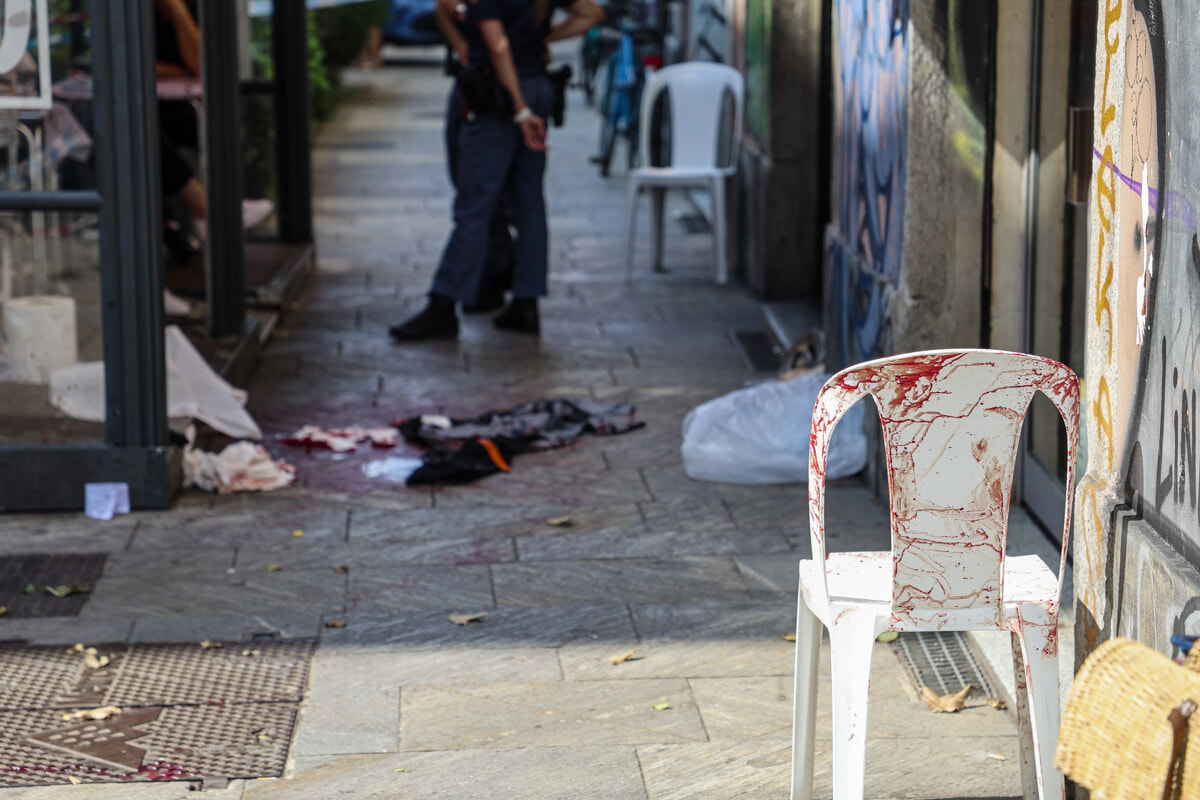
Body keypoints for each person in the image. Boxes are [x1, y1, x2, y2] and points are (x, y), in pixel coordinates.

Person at [389, 0, 603, 340]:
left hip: (499, 95)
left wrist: (519, 109)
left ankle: (443, 305)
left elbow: (497, 46)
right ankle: (526, 302)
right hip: (536, 84)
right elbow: (591, 13)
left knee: (475, 203)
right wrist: (545, 38)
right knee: (530, 204)